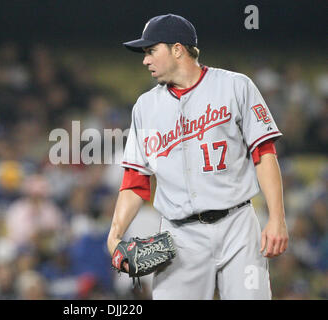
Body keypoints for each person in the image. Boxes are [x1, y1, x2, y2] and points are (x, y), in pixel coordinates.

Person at [107, 14, 289, 300]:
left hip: (238, 226)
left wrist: (277, 217)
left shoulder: (235, 86)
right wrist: (114, 235)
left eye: (151, 50)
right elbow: (135, 179)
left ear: (177, 49)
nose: (145, 60)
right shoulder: (145, 106)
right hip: (179, 237)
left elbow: (264, 153)